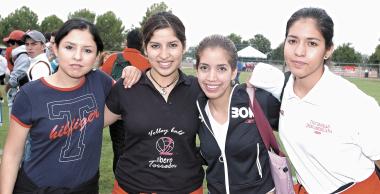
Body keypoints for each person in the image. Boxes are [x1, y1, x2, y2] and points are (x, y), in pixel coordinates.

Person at [0, 18, 115, 194]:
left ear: (98, 55)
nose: (77, 56)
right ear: (55, 48)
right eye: (69, 47)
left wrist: (133, 72)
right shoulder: (30, 94)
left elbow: (127, 104)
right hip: (36, 187)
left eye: (87, 50)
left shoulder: (101, 82)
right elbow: (12, 154)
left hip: (85, 187)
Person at [278, 7, 380, 193]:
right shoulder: (280, 87)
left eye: (312, 43)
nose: (299, 51)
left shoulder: (356, 104)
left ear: (328, 50)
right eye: (292, 41)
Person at [104, 12, 204, 194]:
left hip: (186, 188)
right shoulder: (127, 87)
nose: (164, 55)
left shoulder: (199, 89)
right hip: (131, 188)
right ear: (145, 48)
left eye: (172, 45)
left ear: (184, 46)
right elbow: (89, 124)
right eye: (155, 46)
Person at [195, 34, 278, 194]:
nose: (211, 77)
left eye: (221, 69)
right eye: (204, 68)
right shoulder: (196, 105)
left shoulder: (256, 100)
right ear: (197, 70)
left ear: (234, 72)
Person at [102, 28, 151, 173]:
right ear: (142, 44)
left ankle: (120, 179)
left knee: (118, 150)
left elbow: (102, 84)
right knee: (139, 151)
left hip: (114, 116)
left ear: (126, 42)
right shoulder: (147, 63)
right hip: (140, 116)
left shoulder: (112, 59)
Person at [3, 30, 30, 113]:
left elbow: (16, 78)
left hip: (19, 95)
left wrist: (7, 87)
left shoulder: (22, 55)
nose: (9, 46)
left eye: (10, 43)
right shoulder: (22, 54)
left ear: (15, 43)